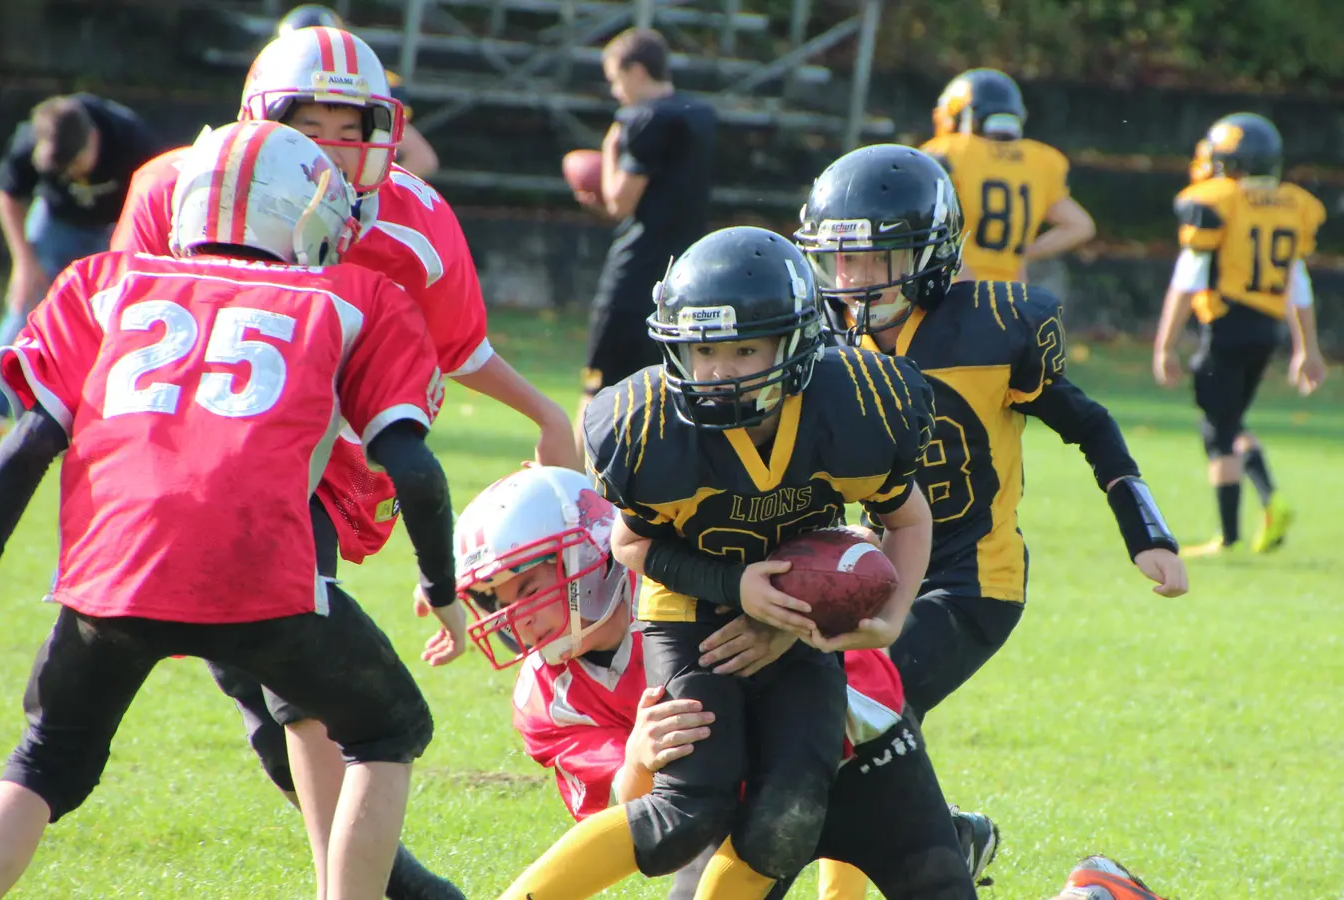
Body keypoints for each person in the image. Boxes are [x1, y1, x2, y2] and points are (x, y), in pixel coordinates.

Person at [108, 24, 573, 899]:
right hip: (207, 460)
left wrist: (544, 410)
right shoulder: (171, 193)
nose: (331, 148)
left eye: (350, 126)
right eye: (308, 124)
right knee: (271, 700)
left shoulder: (414, 226)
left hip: (328, 463)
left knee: (304, 699)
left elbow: (458, 348)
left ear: (384, 131)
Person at [0, 121, 465, 900]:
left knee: (42, 758)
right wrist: (443, 590)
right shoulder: (353, 296)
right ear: (301, 214)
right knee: (387, 728)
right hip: (260, 576)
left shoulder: (103, 281)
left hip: (111, 577)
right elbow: (412, 466)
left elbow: (25, 447)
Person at [496, 226, 937, 900]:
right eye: (704, 350)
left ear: (794, 345)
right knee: (687, 806)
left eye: (744, 349)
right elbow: (630, 545)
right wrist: (735, 585)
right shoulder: (644, 426)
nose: (721, 370)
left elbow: (907, 517)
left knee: (791, 809)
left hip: (796, 604)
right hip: (685, 603)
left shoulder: (852, 407)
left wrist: (893, 614)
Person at [427, 464, 993, 899]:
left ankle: (943, 844)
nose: (515, 616)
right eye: (496, 600)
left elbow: (847, 556)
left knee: (902, 858)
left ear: (586, 558)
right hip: (722, 810)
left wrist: (787, 620)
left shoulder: (682, 577)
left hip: (855, 751)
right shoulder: (545, 699)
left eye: (528, 588)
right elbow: (626, 821)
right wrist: (639, 761)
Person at [795, 143, 1188, 722]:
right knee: (815, 712)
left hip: (973, 578)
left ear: (927, 254)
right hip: (877, 565)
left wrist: (1146, 531)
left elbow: (1091, 425)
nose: (854, 278)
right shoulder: (823, 346)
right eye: (842, 259)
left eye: (876, 259)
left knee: (869, 707)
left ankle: (928, 819)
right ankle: (935, 819)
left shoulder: (989, 331)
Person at [1151, 113, 1327, 557]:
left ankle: (1250, 517)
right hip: (1266, 329)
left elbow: (1187, 282)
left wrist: (1164, 345)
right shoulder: (1292, 205)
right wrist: (1306, 347)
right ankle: (1246, 521)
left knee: (1218, 429)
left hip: (1227, 325)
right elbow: (1298, 283)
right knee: (1228, 422)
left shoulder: (1218, 203)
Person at [0, 93, 166, 442]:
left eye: (73, 164)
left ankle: (106, 420)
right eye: (60, 168)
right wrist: (24, 262)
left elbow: (150, 200)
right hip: (55, 223)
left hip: (113, 229)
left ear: (93, 140)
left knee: (114, 321)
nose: (69, 174)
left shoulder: (132, 140)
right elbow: (8, 193)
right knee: (23, 304)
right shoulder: (32, 138)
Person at [574, 27, 716, 461]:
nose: (616, 92)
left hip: (634, 277)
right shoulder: (702, 113)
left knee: (596, 391)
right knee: (668, 393)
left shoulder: (642, 119)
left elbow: (618, 201)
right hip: (685, 278)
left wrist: (610, 147)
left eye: (616, 79)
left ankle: (577, 489)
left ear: (636, 71)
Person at [920, 68, 1095, 285]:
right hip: (1009, 293)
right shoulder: (1041, 161)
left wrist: (955, 262)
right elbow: (1080, 226)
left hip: (956, 287)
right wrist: (1023, 254)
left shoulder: (949, 153)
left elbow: (920, 219)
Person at [275, 4, 441, 177]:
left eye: (347, 138)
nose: (328, 155)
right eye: (309, 136)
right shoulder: (271, 82)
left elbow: (422, 158)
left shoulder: (373, 83)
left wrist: (378, 191)